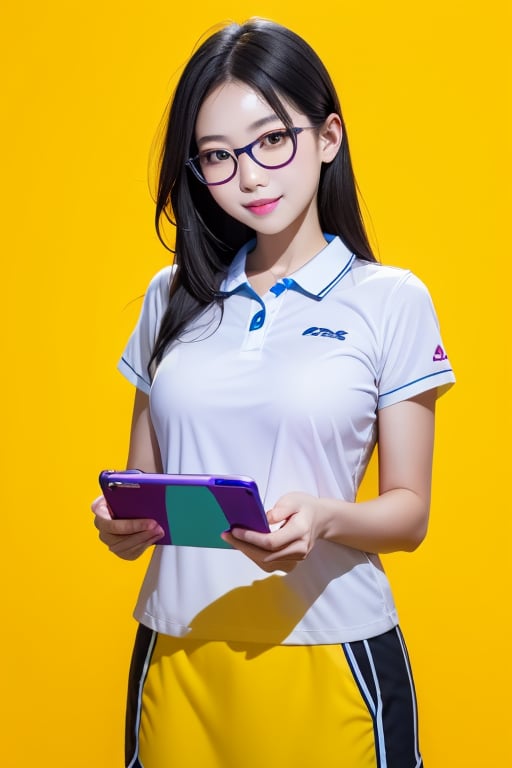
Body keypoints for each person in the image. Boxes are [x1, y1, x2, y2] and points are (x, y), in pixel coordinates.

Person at [92, 17, 455, 768]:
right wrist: (121, 524)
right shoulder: (171, 298)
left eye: (271, 141)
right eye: (217, 157)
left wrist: (324, 518)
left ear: (328, 137)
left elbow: (409, 513)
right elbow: (145, 486)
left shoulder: (390, 299)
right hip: (178, 652)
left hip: (331, 652)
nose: (249, 176)